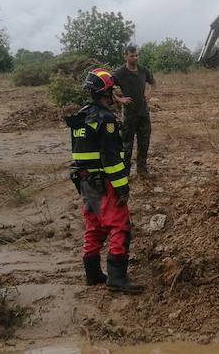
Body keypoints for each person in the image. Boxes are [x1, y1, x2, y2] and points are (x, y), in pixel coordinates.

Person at [65, 68, 144, 294]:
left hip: (85, 182)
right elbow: (112, 160)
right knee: (120, 226)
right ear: (105, 93)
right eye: (111, 92)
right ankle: (117, 278)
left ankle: (92, 274)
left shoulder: (81, 116)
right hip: (104, 182)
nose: (113, 96)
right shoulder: (105, 119)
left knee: (94, 226)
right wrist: (122, 188)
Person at [112, 45, 156, 176]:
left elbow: (153, 83)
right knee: (127, 145)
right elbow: (108, 87)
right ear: (125, 56)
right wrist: (119, 99)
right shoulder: (119, 73)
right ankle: (125, 173)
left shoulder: (143, 70)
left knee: (144, 142)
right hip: (129, 115)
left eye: (136, 55)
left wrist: (149, 94)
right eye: (132, 56)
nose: (135, 58)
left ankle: (142, 170)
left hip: (143, 113)